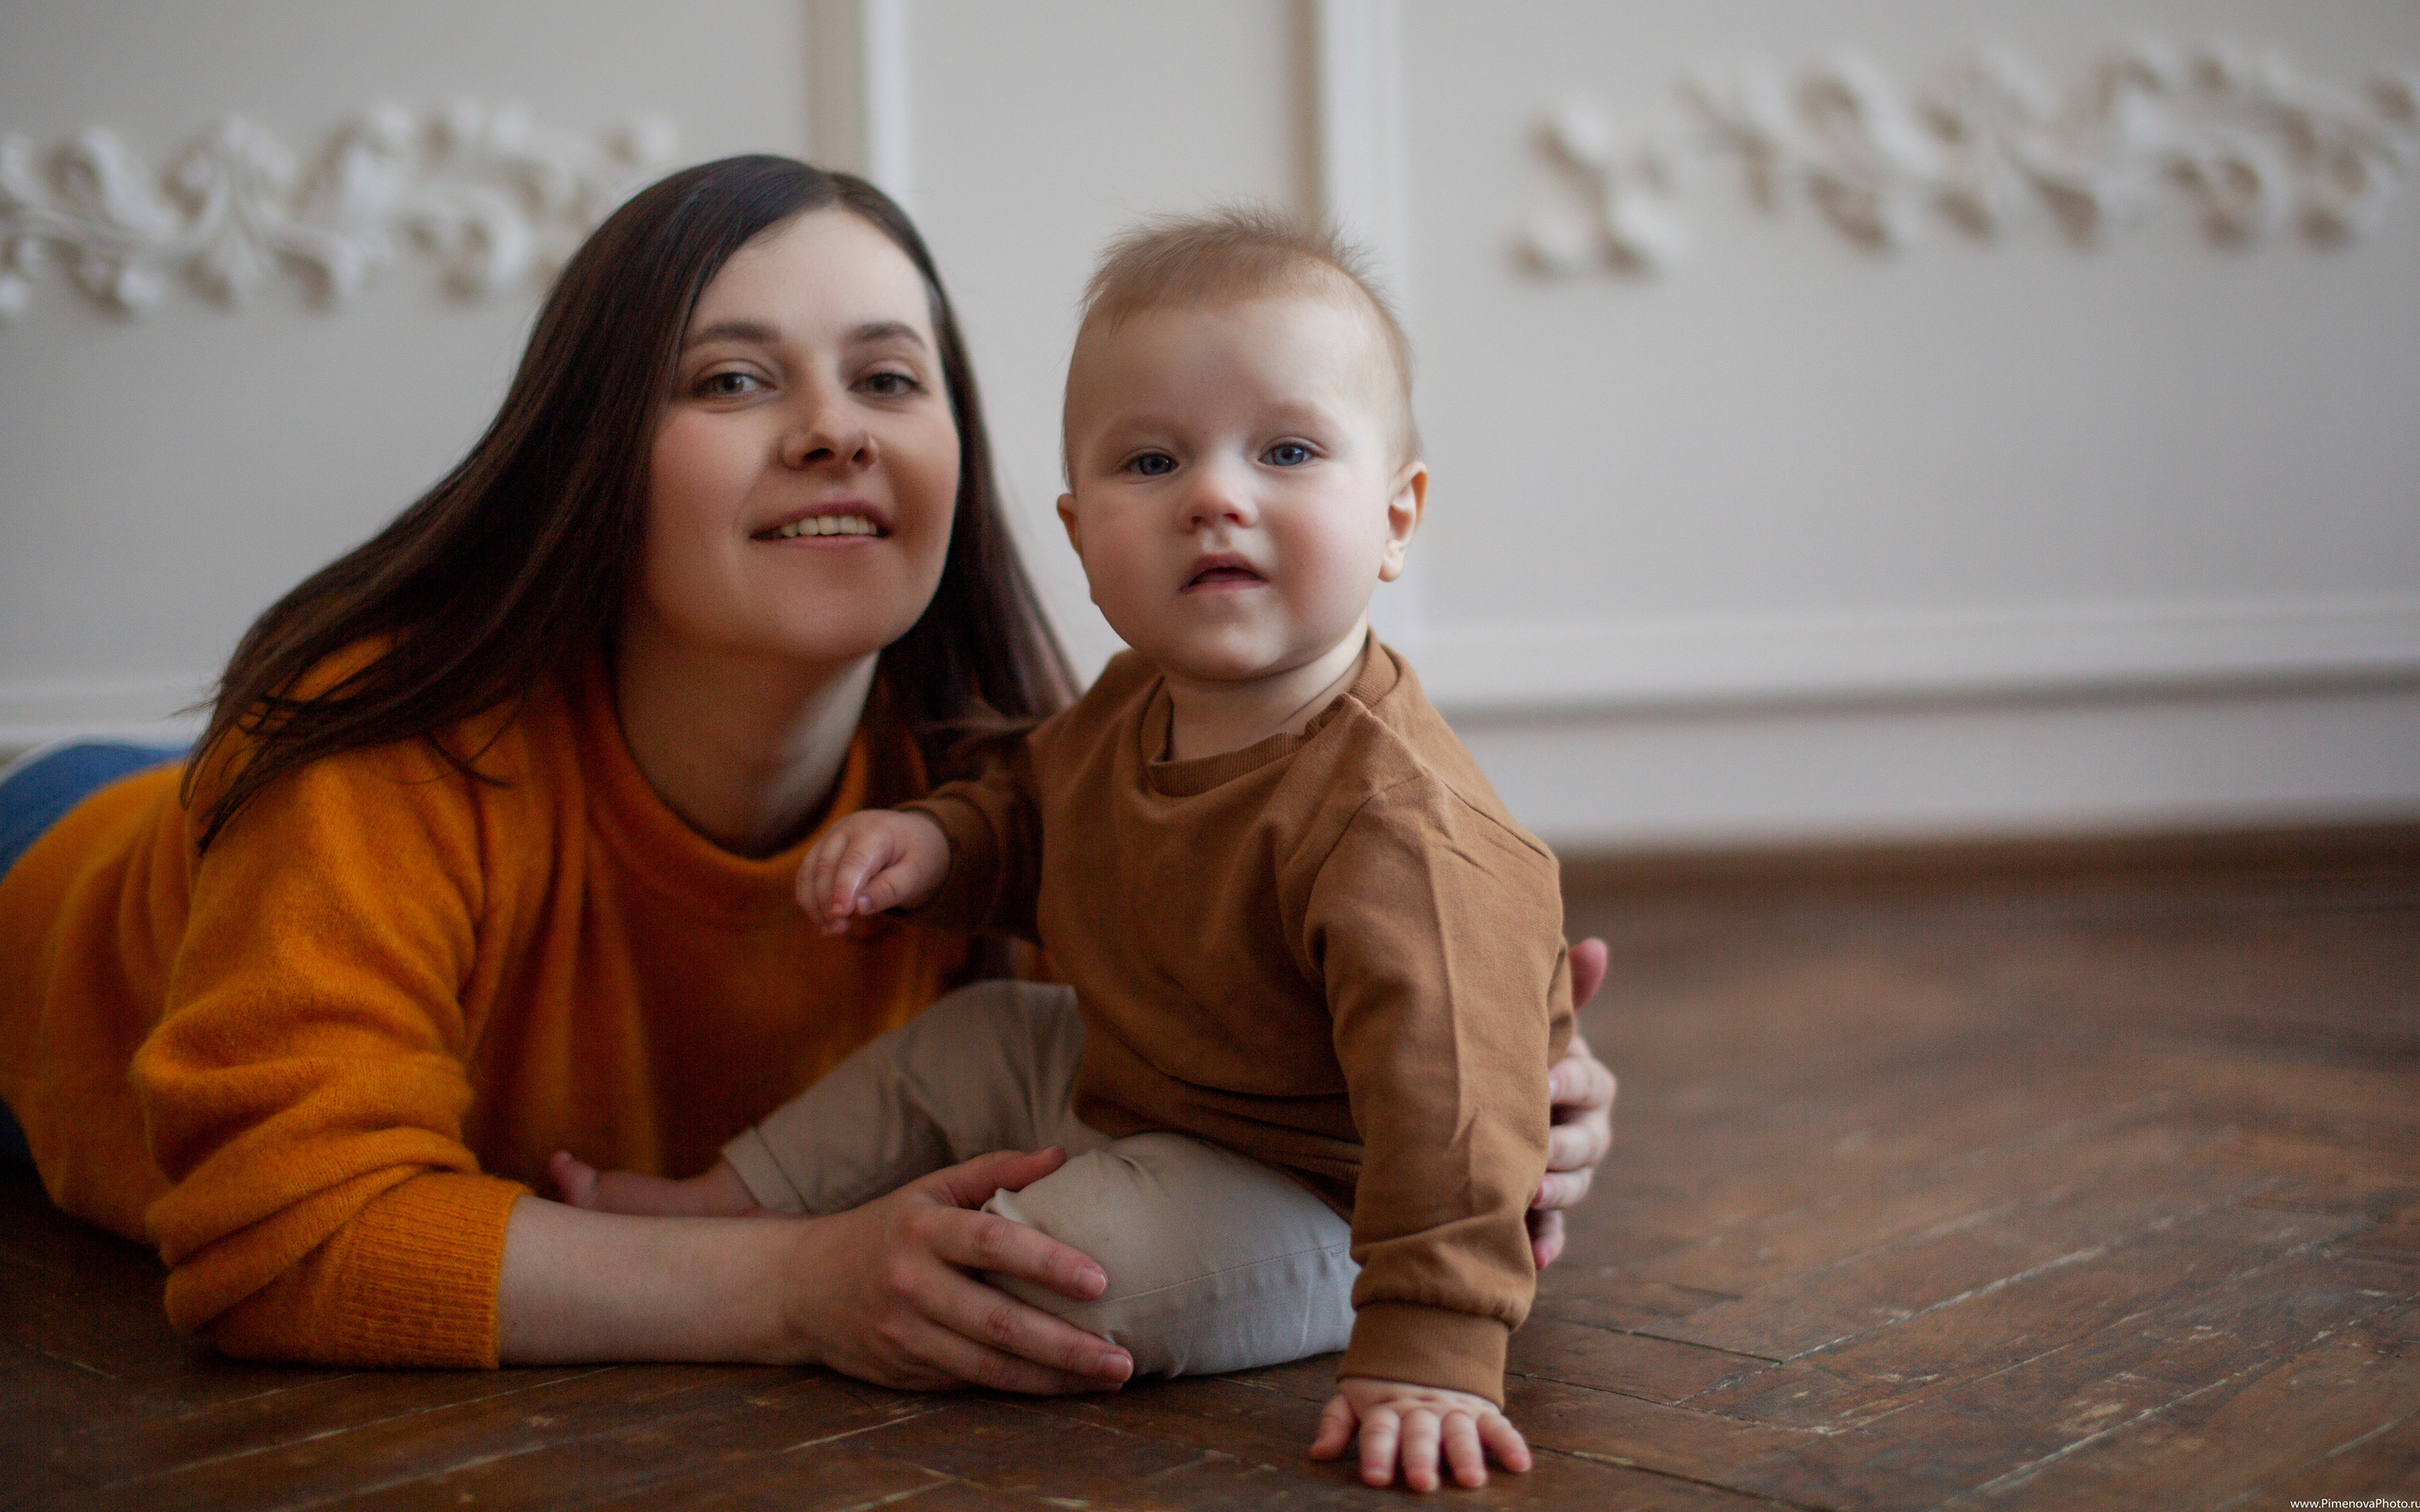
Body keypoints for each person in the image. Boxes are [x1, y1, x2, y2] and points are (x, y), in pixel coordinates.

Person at [0, 156, 1614, 1398]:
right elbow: (281, 1246)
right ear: (591, 455)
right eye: (733, 378)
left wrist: (1485, 1095)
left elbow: (1238, 1020)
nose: (835, 431)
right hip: (47, 880)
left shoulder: (987, 755)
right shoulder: (379, 761)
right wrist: (795, 1287)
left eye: (889, 379)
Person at [552, 210, 1568, 1492]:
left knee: (1065, 1269)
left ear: (1395, 518)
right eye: (1152, 464)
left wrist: (1435, 1338)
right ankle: (720, 1212)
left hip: (1324, 1193)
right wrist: (934, 843)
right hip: (1122, 1085)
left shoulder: (1400, 827)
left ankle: (974, 1268)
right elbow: (1036, 813)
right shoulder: (1128, 707)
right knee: (974, 1038)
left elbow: (1462, 1114)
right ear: (1082, 535)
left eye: (1289, 450)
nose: (1214, 495)